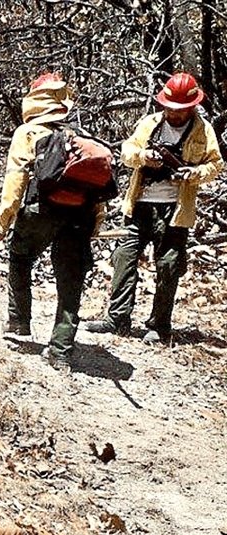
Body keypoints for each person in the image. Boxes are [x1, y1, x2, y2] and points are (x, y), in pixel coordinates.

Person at [86, 73, 223, 343]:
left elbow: (215, 165)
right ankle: (117, 319)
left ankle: (159, 326)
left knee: (169, 266)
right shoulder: (150, 123)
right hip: (140, 206)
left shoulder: (203, 129)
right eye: (170, 108)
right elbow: (126, 152)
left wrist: (192, 174)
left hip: (175, 210)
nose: (174, 113)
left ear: (191, 107)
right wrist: (143, 157)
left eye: (180, 109)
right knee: (124, 259)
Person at [0, 72, 105, 371]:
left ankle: (19, 321)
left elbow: (15, 181)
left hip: (39, 209)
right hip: (79, 214)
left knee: (20, 258)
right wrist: (95, 223)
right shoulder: (79, 134)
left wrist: (2, 221)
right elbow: (96, 187)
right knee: (71, 283)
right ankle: (61, 352)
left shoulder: (27, 133)